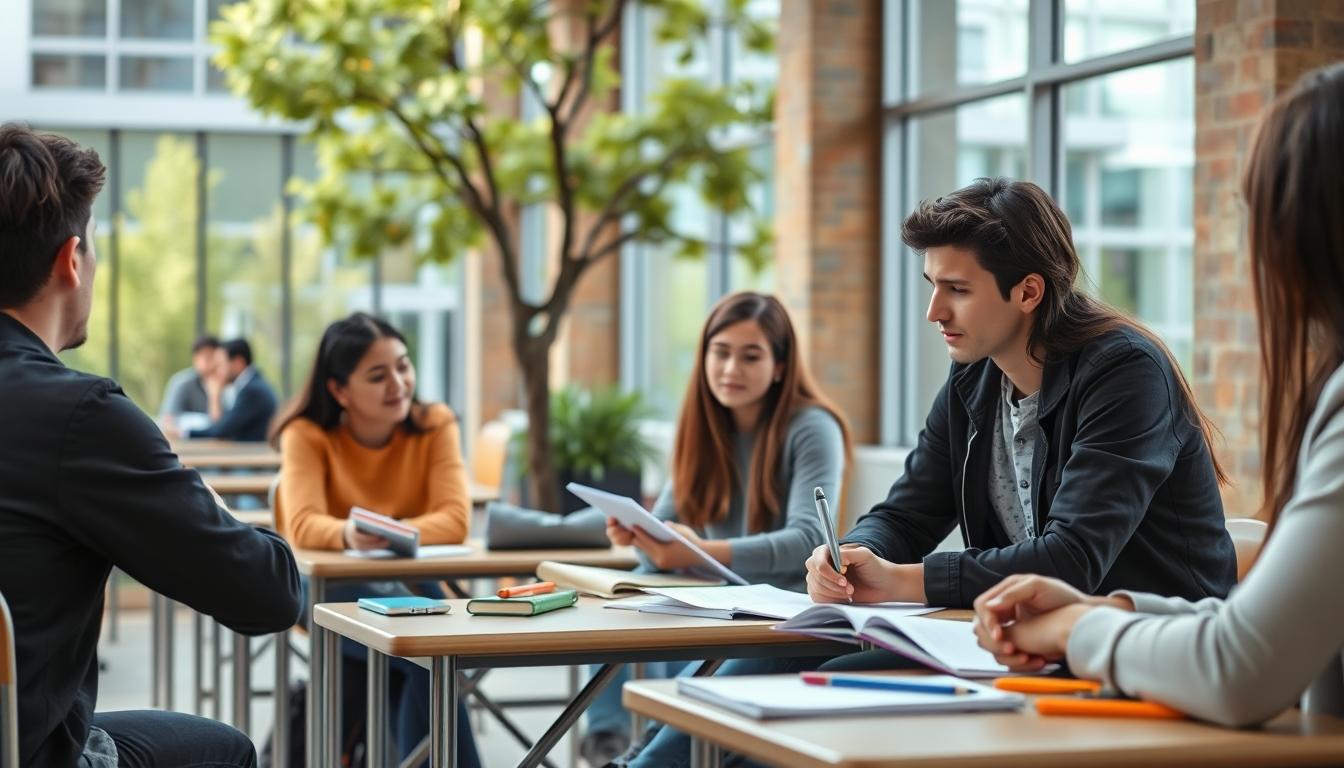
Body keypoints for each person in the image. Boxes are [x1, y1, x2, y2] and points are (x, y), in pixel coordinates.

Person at [970, 62, 1344, 728]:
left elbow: (1241, 669)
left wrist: (1076, 631)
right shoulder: (976, 376)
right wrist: (1111, 612)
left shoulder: (1123, 367)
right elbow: (1254, 633)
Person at [804, 177, 1236, 632]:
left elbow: (1071, 558)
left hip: (1152, 650)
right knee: (774, 668)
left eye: (958, 290)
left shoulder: (1127, 373)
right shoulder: (973, 377)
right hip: (1026, 642)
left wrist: (903, 581)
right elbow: (907, 515)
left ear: (1029, 292)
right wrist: (852, 557)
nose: (934, 311)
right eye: (934, 285)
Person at [0, 124, 302, 766]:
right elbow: (270, 594)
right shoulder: (79, 418)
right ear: (72, 259)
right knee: (222, 751)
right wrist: (186, 489)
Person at [585, 291, 852, 766]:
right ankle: (619, 749)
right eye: (721, 352)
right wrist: (641, 539)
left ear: (779, 366)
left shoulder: (812, 426)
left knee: (693, 686)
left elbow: (805, 540)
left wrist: (697, 550)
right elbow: (667, 543)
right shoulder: (703, 430)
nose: (732, 369)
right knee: (616, 627)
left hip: (789, 617)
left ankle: (629, 760)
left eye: (751, 356)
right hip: (721, 609)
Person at [270, 312, 479, 767]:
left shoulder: (435, 424)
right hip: (326, 590)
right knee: (427, 653)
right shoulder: (305, 434)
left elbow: (456, 520)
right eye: (378, 375)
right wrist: (348, 532)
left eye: (404, 366)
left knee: (419, 657)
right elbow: (303, 525)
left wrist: (381, 533)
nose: (398, 384)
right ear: (339, 390)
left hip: (412, 583)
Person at [187, 337, 277, 442]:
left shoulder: (252, 391)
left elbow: (221, 430)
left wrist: (184, 432)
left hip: (254, 454)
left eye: (221, 365)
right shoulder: (251, 385)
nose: (217, 371)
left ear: (238, 363)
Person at [157, 333, 220, 430]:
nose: (213, 364)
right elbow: (167, 420)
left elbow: (220, 425)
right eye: (208, 359)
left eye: (216, 359)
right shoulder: (182, 383)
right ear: (195, 359)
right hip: (184, 442)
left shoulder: (226, 384)